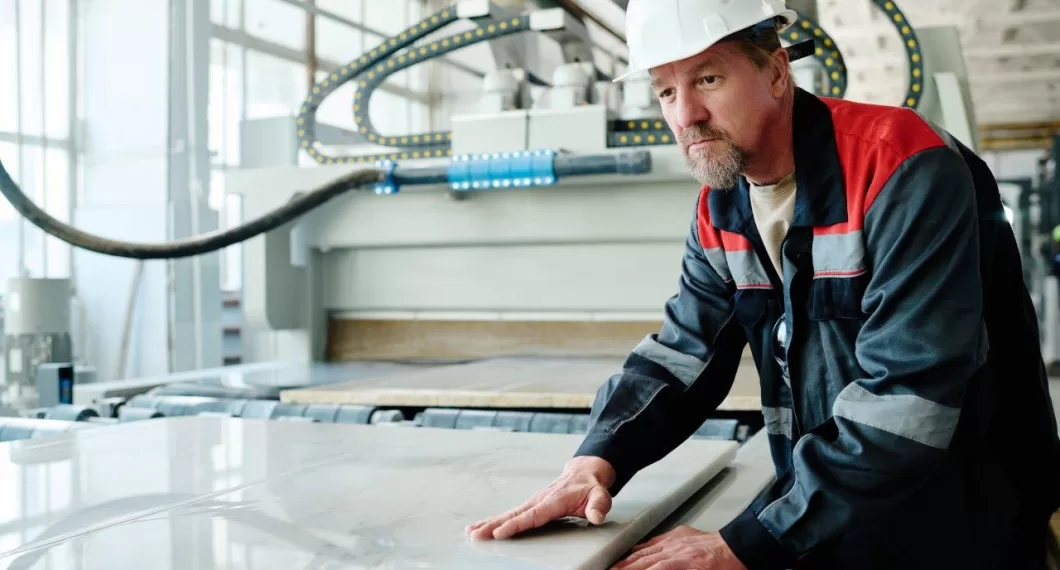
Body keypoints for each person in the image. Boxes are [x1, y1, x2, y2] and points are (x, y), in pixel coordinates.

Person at [465, 0, 1060, 568]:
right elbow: (684, 356)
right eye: (666, 90)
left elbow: (908, 398)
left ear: (776, 72)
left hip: (961, 525)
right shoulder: (720, 208)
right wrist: (596, 460)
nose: (683, 115)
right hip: (834, 524)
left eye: (707, 80)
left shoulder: (901, 167)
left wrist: (749, 542)